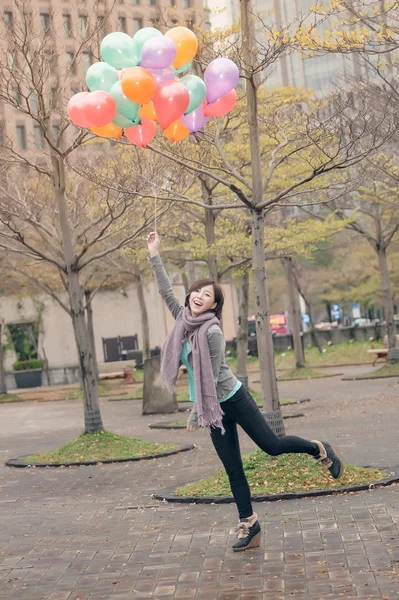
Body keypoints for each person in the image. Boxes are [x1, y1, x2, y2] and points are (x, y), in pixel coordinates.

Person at [147, 231, 343, 552]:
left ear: (214, 304)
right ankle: (249, 524)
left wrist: (196, 411)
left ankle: (319, 448)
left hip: (232, 399)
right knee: (233, 468)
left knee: (273, 446)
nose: (198, 296)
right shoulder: (183, 319)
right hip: (213, 410)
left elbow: (208, 376)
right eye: (197, 291)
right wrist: (154, 254)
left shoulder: (210, 331)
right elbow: (165, 288)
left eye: (206, 295)